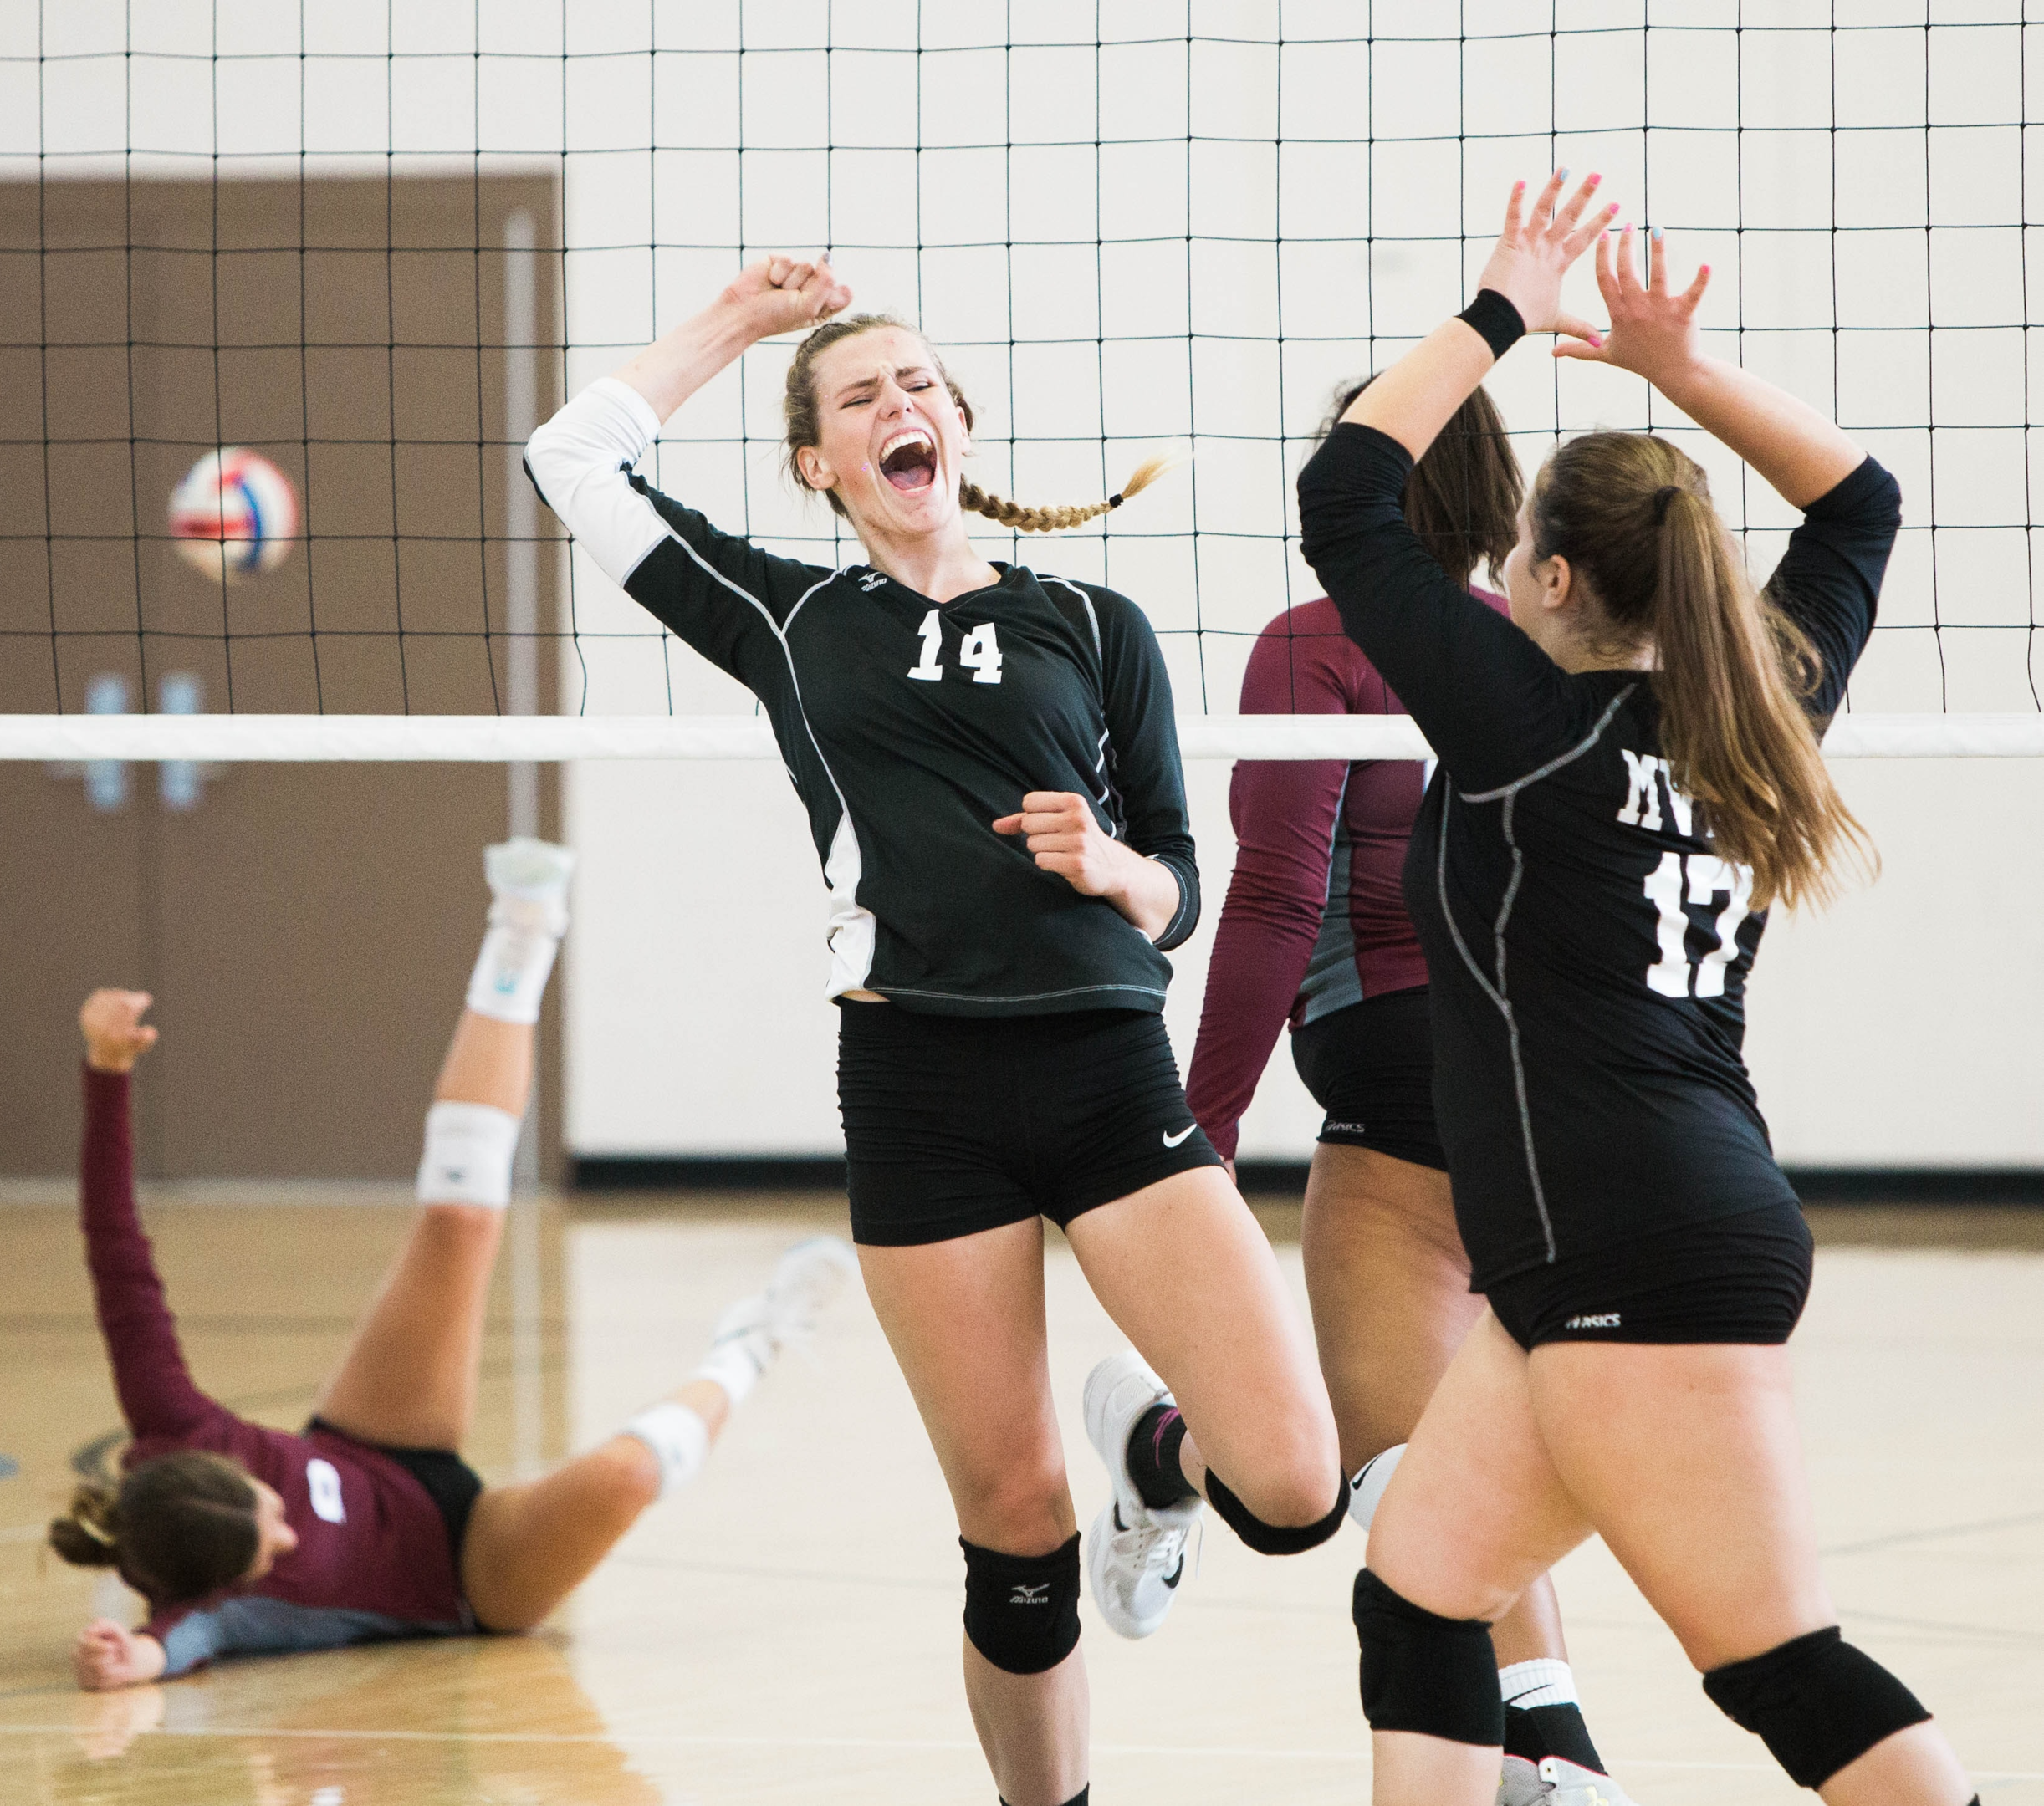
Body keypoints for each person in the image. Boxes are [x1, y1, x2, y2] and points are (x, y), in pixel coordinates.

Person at [524, 257, 1344, 1806]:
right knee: (1014, 1518)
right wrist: (744, 325)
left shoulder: (1096, 624)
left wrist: (1115, 870)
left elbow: (1179, 887)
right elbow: (571, 458)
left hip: (1105, 1068)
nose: (897, 405)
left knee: (1296, 1489)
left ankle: (1152, 1458)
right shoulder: (787, 616)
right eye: (856, 397)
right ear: (817, 464)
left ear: (960, 427)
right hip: (919, 1085)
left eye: (917, 384)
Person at [1300, 173, 1980, 1806]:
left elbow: (1347, 492)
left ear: (1539, 584)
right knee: (1419, 1598)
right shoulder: (1759, 711)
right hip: (1620, 1239)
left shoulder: (1525, 729)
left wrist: (1501, 312)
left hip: (1634, 1247)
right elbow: (1862, 506)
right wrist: (1679, 375)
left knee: (1774, 1665)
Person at [56, 839, 852, 1686]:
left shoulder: (171, 1417)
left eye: (270, 1513)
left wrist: (106, 1074)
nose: (288, 1536)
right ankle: (752, 1346)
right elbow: (177, 1643)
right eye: (271, 1552)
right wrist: (132, 1658)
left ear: (213, 1468)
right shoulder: (218, 1607)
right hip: (468, 1574)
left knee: (460, 1220)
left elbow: (116, 1253)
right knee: (622, 1476)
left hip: (375, 1445)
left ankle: (524, 929)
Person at [1188, 386, 1638, 1806]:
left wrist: (1194, 1138)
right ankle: (1557, 1744)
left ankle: (1157, 1454)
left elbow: (1273, 898)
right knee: (1466, 1444)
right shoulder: (1549, 651)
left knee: (1383, 1474)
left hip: (1398, 1082)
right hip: (1559, 1089)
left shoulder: (1320, 643)